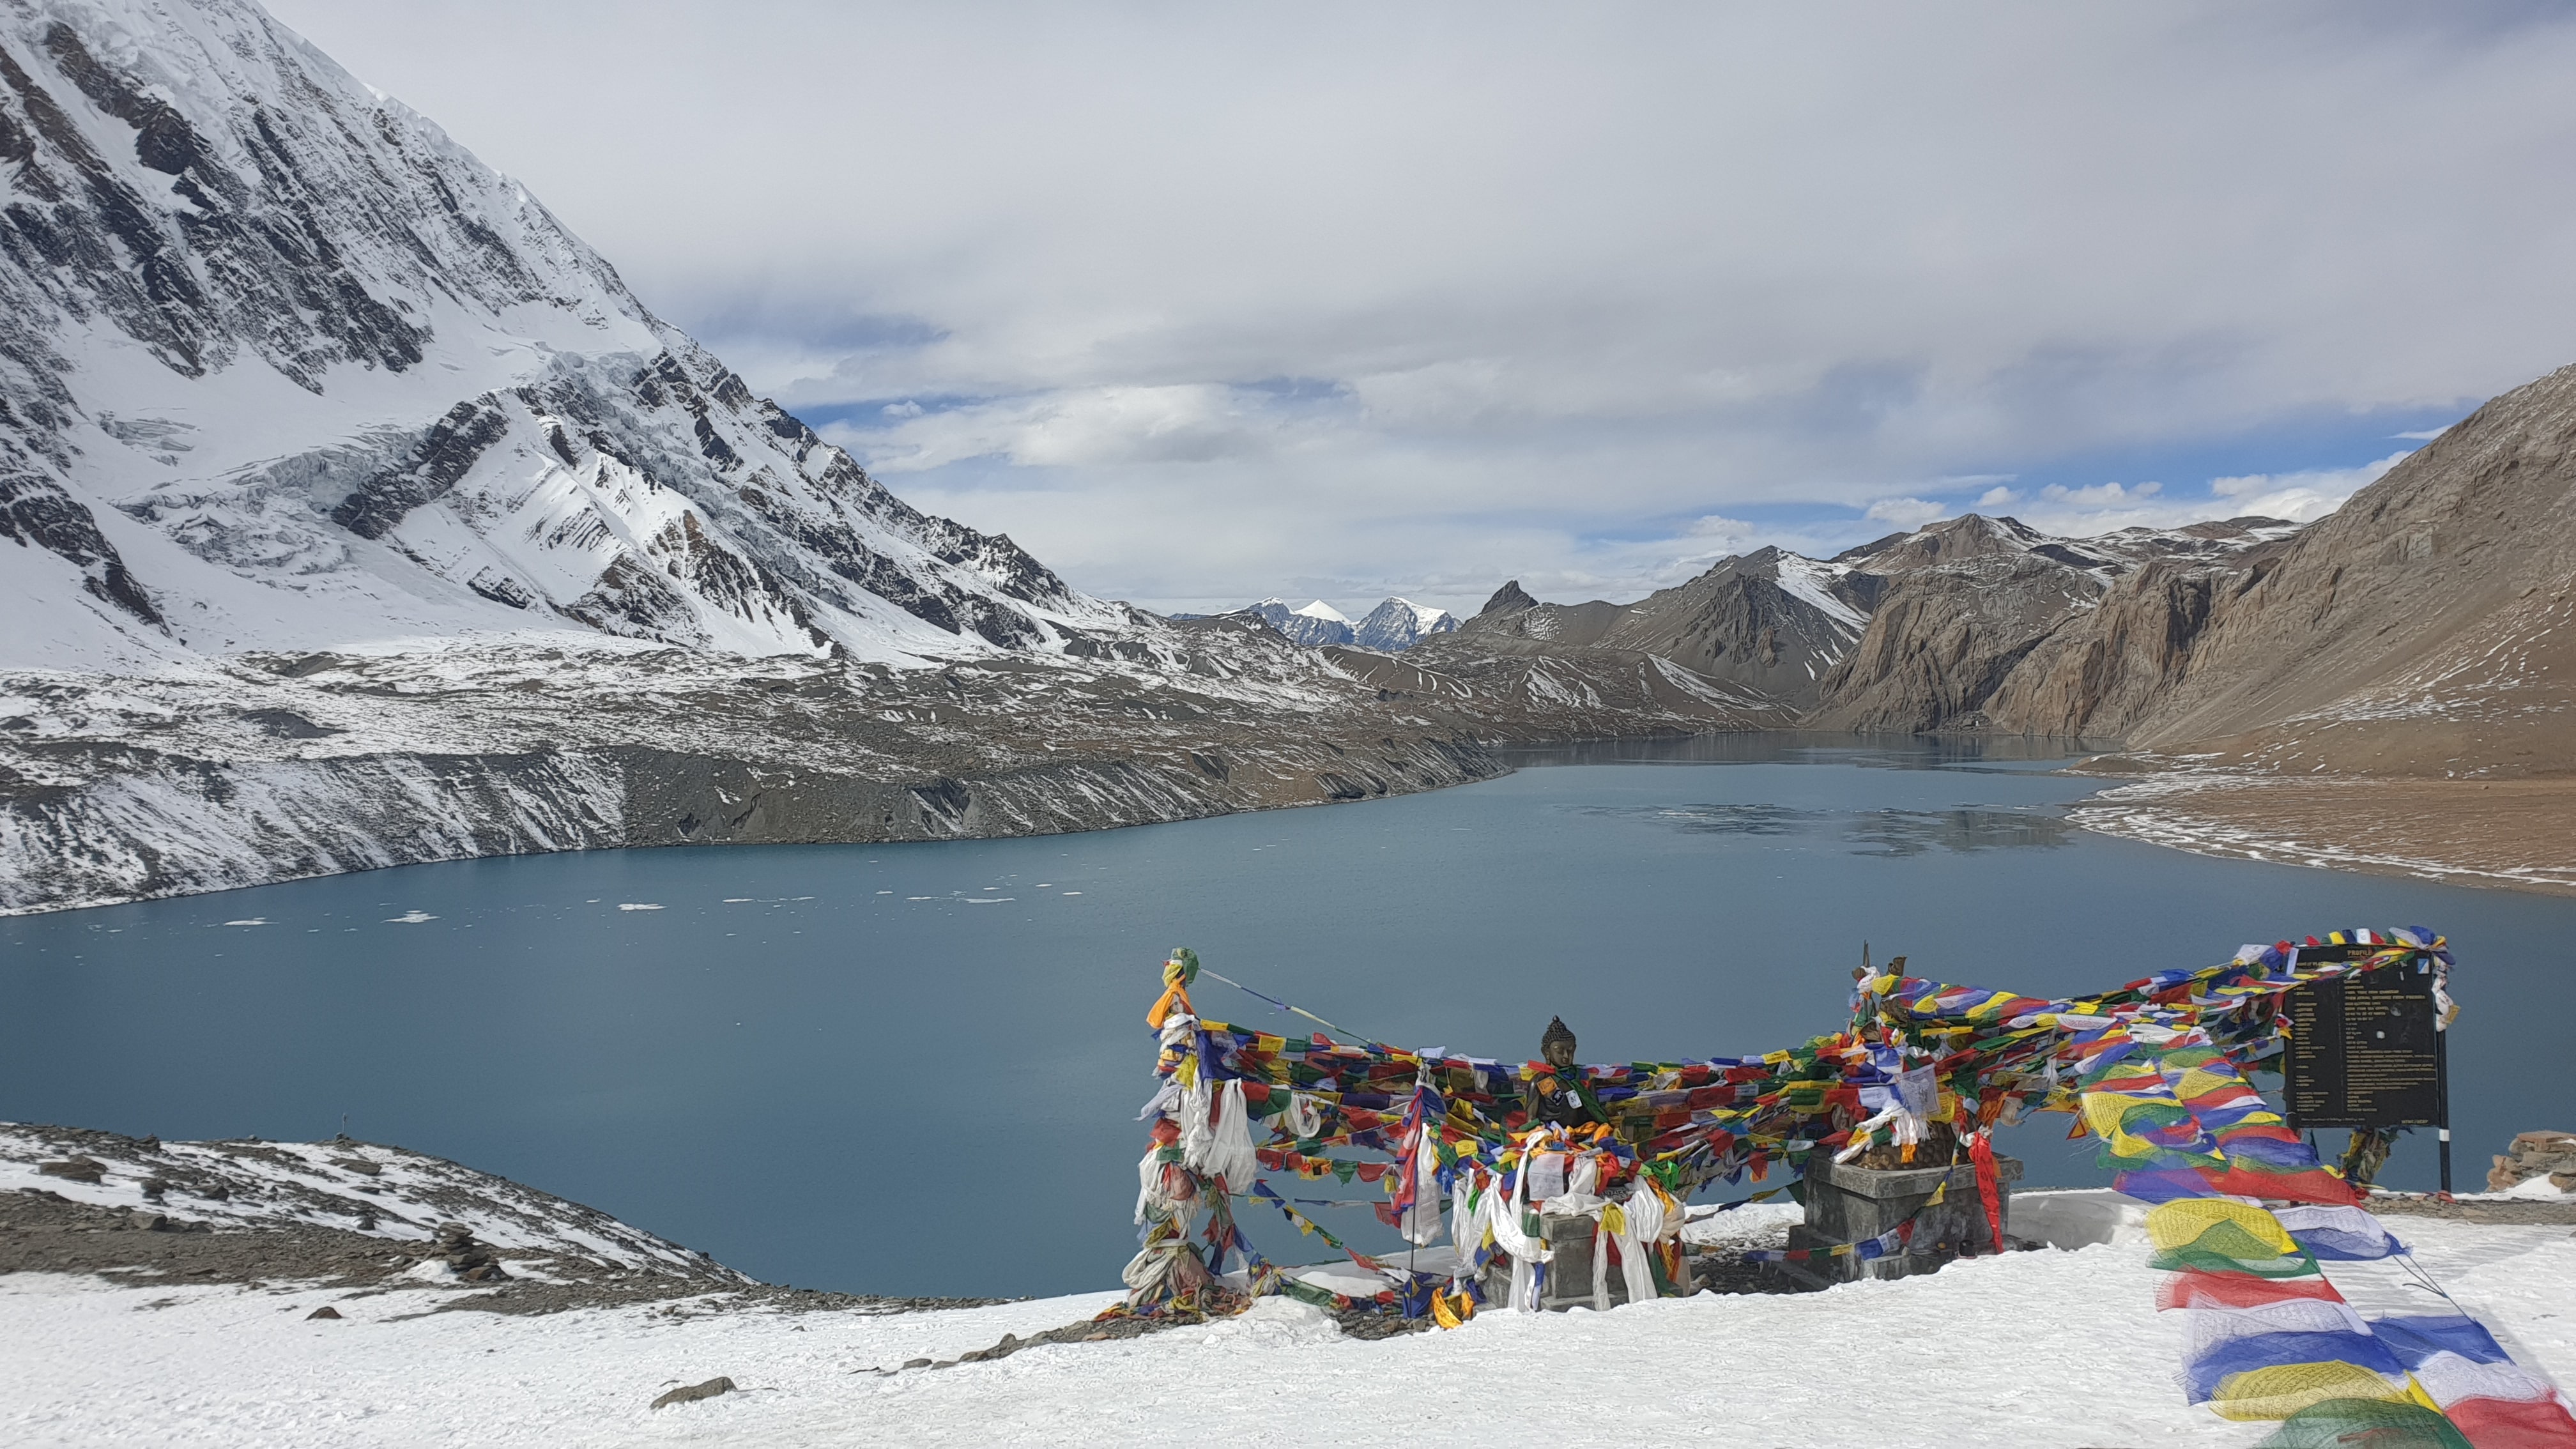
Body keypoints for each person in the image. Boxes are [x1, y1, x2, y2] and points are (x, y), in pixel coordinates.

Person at [1524, 1016, 1611, 1130]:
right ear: (1546, 1052)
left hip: (1583, 1132)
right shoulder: (1540, 1080)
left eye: (1570, 1051)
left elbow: (1595, 1111)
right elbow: (1531, 1119)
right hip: (1552, 1133)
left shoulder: (1584, 1078)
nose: (1566, 1056)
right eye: (1560, 1051)